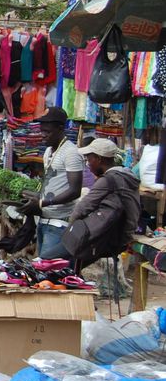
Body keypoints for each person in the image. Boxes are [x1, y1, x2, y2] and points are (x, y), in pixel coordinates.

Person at [67, 139, 140, 271]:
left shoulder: (108, 180)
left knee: (65, 259)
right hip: (124, 235)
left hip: (112, 239)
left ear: (99, 159)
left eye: (89, 160)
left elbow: (82, 209)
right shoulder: (126, 175)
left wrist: (69, 229)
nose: (88, 165)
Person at [20, 107, 83, 259]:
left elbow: (75, 190)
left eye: (47, 132)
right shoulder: (48, 151)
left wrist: (43, 203)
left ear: (60, 128)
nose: (42, 135)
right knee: (45, 269)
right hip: (44, 220)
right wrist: (36, 197)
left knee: (50, 271)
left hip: (59, 223)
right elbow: (52, 182)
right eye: (42, 131)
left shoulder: (71, 152)